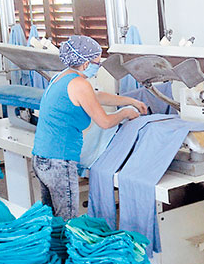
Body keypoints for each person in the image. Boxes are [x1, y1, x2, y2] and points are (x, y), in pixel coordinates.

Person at [32, 35, 147, 220]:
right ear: (86, 64)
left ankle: (51, 248)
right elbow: (105, 122)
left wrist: (130, 100)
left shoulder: (61, 77)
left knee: (50, 219)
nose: (97, 66)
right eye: (97, 62)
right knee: (66, 222)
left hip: (41, 157)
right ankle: (64, 250)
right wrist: (125, 112)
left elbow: (97, 96)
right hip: (60, 162)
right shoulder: (80, 84)